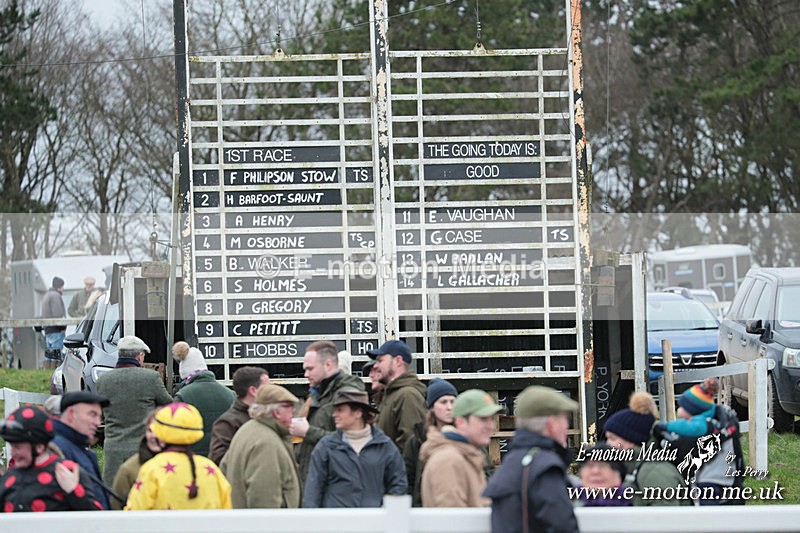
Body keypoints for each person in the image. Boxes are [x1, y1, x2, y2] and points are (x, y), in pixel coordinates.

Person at [482, 386, 579, 533]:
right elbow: (563, 526)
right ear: (552, 424)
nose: (567, 426)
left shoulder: (511, 461)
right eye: (565, 419)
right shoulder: (545, 467)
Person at [303, 388, 407, 508]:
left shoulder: (385, 446)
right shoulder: (325, 447)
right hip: (336, 524)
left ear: (358, 413)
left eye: (340, 410)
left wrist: (385, 514)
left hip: (375, 523)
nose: (334, 415)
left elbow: (398, 485)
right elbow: (313, 490)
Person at [653, 377, 744, 505]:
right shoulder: (719, 421)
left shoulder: (703, 425)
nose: (679, 410)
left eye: (682, 407)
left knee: (706, 513)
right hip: (725, 477)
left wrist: (665, 426)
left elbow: (686, 427)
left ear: (693, 411)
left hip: (711, 479)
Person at [96, 335, 173, 484]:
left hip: (113, 449)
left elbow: (101, 415)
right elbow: (169, 405)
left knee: (115, 492)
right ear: (140, 356)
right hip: (143, 449)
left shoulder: (103, 381)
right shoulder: (151, 378)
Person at [125, 403, 232, 510]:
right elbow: (227, 508)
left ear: (160, 432)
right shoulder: (211, 469)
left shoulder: (152, 469)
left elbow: (135, 512)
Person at [0, 405, 102, 512]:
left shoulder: (68, 472)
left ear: (39, 447)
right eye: (12, 446)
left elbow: (97, 520)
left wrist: (74, 491)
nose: (12, 452)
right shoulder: (9, 477)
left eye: (17, 447)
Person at [289, 340, 366, 482]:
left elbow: (353, 441)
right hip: (315, 481)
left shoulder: (348, 394)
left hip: (336, 485)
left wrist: (307, 432)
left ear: (328, 364)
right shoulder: (318, 393)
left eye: (310, 369)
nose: (306, 374)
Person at [220, 384, 302, 509]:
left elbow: (224, 469)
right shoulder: (266, 443)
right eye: (289, 407)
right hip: (268, 526)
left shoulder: (247, 430)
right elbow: (264, 499)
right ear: (276, 412)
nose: (294, 411)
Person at [603, 391, 690, 507]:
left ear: (632, 440)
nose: (608, 444)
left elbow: (666, 520)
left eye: (612, 438)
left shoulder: (653, 471)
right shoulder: (639, 467)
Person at [420, 388, 500, 508]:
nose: (491, 426)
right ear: (460, 422)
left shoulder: (467, 455)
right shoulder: (449, 460)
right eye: (483, 419)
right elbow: (452, 521)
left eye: (492, 419)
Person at [172, 341, 235, 457]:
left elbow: (173, 431)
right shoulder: (231, 395)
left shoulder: (182, 396)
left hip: (194, 460)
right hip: (224, 457)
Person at [52, 391, 111, 510]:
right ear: (71, 414)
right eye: (92, 414)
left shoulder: (79, 448)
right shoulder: (57, 449)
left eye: (99, 417)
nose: (98, 423)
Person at [403, 378, 457, 506]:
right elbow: (408, 480)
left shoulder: (467, 437)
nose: (449, 407)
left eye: (453, 402)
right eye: (443, 402)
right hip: (424, 509)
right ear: (431, 407)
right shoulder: (417, 441)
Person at [368, 339, 427, 451]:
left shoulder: (407, 395)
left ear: (398, 361)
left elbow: (410, 445)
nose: (375, 366)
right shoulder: (391, 395)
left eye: (380, 361)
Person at [208, 366, 270, 465]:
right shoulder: (227, 423)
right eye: (267, 387)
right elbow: (219, 459)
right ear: (253, 391)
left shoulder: (267, 417)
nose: (271, 391)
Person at [110, 410, 161, 510]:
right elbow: (116, 509)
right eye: (150, 430)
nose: (153, 436)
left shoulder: (186, 465)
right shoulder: (128, 470)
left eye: (159, 430)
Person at [40, 276, 67, 368]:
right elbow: (58, 314)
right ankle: (55, 374)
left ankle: (47, 374)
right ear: (59, 286)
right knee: (56, 355)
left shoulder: (46, 295)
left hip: (48, 330)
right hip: (56, 330)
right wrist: (62, 328)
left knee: (49, 355)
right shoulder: (55, 296)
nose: (64, 288)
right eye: (63, 286)